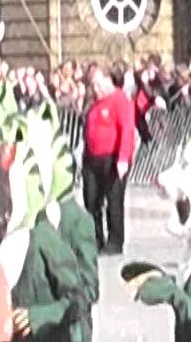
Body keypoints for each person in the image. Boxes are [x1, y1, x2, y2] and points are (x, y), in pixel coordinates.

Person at [83, 64, 136, 255]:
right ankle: (96, 239)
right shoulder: (95, 103)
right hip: (92, 158)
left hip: (112, 158)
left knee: (114, 201)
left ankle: (115, 241)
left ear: (107, 80)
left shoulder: (120, 99)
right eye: (92, 85)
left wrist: (123, 158)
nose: (95, 89)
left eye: (97, 84)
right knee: (91, 200)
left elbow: (127, 131)